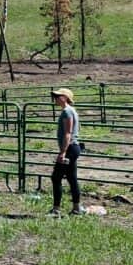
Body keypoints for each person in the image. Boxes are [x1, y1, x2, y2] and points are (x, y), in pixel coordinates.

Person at [50, 87, 83, 216]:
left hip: (69, 149)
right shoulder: (72, 111)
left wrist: (62, 152)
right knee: (72, 178)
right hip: (73, 148)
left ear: (65, 98)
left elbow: (68, 134)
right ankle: (76, 208)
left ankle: (56, 210)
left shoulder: (67, 112)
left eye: (58, 96)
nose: (55, 98)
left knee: (56, 177)